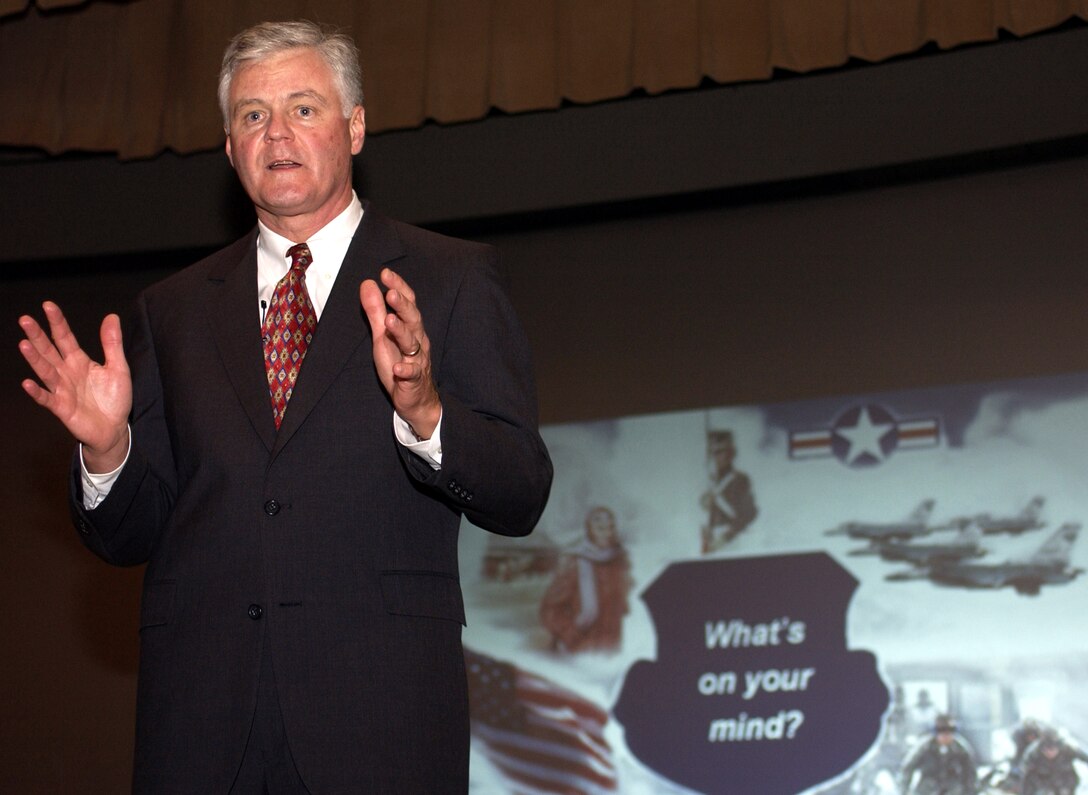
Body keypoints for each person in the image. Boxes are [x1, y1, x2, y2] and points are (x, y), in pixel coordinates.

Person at [17, 20, 552, 794]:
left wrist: (427, 410)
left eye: (304, 108)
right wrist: (108, 453)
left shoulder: (452, 279)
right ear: (230, 147)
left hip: (382, 721)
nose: (277, 133)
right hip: (201, 728)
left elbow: (521, 490)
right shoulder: (171, 311)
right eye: (252, 115)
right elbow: (131, 531)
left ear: (356, 126)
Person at [539, 506, 632, 652]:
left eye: (610, 527)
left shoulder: (620, 562)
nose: (607, 533)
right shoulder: (575, 563)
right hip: (581, 646)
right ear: (590, 530)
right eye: (600, 528)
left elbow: (625, 607)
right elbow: (550, 610)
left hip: (612, 646)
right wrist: (570, 633)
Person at [700, 429, 757, 553]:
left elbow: (749, 513)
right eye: (713, 452)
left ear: (731, 453)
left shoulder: (740, 479)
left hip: (730, 541)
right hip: (708, 540)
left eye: (721, 451)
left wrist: (723, 540)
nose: (716, 457)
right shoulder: (707, 480)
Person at [898, 714, 978, 795]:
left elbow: (970, 774)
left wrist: (969, 792)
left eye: (950, 731)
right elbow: (907, 768)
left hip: (952, 790)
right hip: (928, 790)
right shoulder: (924, 747)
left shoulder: (961, 750)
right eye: (941, 731)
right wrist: (904, 791)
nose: (946, 735)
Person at [1020, 728, 1088, 795]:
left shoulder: (1067, 749)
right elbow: (1026, 777)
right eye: (1046, 749)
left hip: (1065, 782)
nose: (1050, 753)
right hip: (1044, 784)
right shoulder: (1033, 754)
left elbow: (1083, 757)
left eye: (1052, 749)